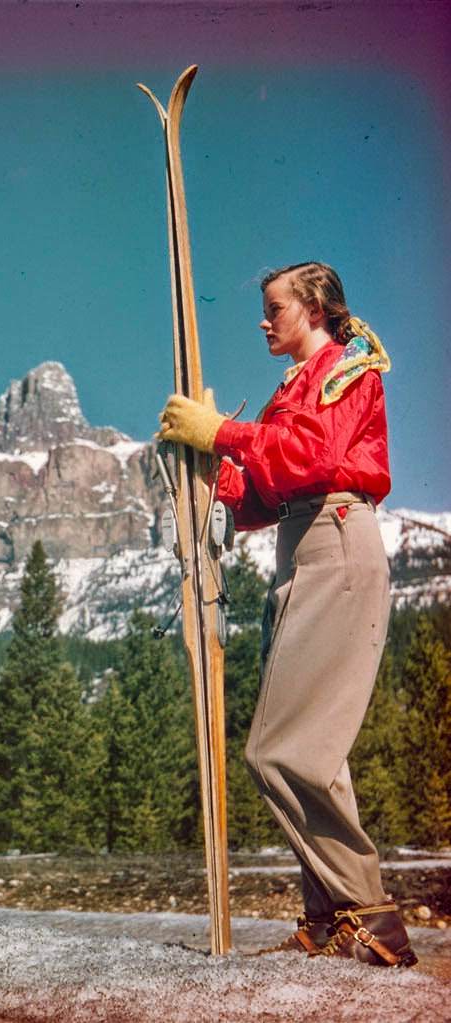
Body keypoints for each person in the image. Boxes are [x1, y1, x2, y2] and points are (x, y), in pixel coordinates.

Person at [157, 261, 416, 968]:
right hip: (302, 544)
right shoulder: (291, 391)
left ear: (315, 307)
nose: (264, 320)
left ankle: (370, 915)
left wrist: (222, 434)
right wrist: (206, 472)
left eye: (275, 307)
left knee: (278, 749)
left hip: (335, 540)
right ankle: (334, 919)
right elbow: (267, 494)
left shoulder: (346, 369)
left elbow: (315, 456)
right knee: (315, 752)